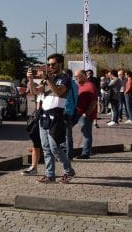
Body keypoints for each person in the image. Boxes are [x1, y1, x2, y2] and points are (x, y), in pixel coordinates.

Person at [27, 54, 75, 184]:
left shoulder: (65, 79)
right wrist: (31, 79)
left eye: (53, 64)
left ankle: (69, 170)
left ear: (60, 64)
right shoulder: (48, 79)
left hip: (57, 115)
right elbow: (34, 92)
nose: (51, 67)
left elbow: (59, 92)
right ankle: (50, 175)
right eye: (49, 64)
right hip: (44, 115)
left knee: (55, 148)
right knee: (46, 147)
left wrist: (49, 80)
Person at [20, 77, 43, 176]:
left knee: (49, 146)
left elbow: (40, 106)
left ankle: (65, 170)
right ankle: (34, 167)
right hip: (38, 116)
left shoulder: (47, 91)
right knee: (36, 143)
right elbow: (34, 93)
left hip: (43, 117)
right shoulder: (39, 92)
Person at [73, 69, 98, 159]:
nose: (76, 79)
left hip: (85, 115)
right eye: (75, 77)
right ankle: (68, 151)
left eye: (77, 77)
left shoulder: (90, 86)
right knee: (66, 130)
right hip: (76, 113)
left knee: (86, 133)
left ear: (84, 75)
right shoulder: (79, 85)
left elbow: (94, 101)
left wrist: (87, 113)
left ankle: (86, 153)